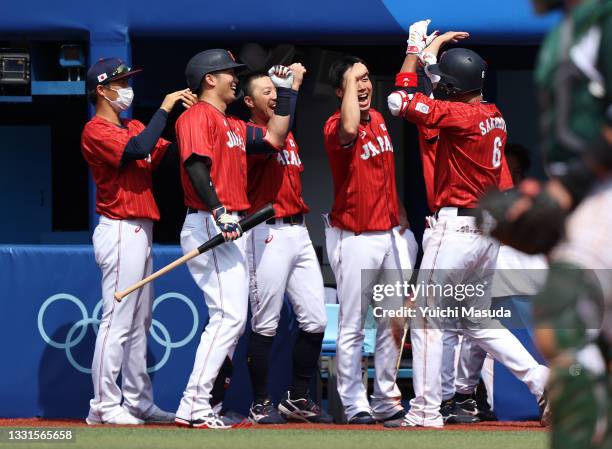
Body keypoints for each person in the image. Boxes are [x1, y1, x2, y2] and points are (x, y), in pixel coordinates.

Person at [384, 20, 547, 428]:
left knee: (426, 317)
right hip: (484, 232)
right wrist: (432, 57)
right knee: (474, 320)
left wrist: (416, 50)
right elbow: (444, 92)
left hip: (455, 229)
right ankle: (541, 380)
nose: (439, 86)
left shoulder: (458, 115)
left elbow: (399, 102)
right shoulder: (492, 112)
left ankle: (424, 411)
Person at [481, 1, 612, 447]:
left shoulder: (603, 19)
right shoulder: (563, 32)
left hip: (599, 189)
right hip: (582, 194)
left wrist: (568, 186)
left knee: (563, 317)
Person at [174, 49, 293, 429]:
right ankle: (194, 404)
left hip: (230, 224)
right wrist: (218, 210)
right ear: (210, 78)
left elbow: (275, 137)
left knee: (229, 319)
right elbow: (195, 164)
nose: (235, 78)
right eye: (229, 73)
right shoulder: (196, 115)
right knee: (228, 316)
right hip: (212, 221)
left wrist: (287, 91)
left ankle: (195, 403)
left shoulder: (233, 124)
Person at [81, 57, 196, 425]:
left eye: (128, 80)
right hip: (118, 227)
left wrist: (195, 123)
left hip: (141, 228)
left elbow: (167, 153)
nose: (127, 88)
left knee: (140, 321)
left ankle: (137, 400)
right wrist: (164, 108)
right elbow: (136, 149)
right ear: (102, 90)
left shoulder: (131, 124)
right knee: (117, 321)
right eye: (121, 82)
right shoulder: (95, 130)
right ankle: (102, 405)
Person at [323, 55, 419, 425]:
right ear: (339, 91)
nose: (363, 86)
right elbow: (349, 126)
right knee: (351, 325)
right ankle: (354, 403)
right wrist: (347, 88)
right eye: (354, 82)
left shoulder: (379, 120)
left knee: (393, 323)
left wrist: (402, 220)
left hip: (389, 234)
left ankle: (385, 398)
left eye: (365, 78)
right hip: (355, 236)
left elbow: (385, 176)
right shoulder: (334, 126)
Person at [242, 65, 331, 424]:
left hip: (299, 230)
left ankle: (296, 396)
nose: (273, 95)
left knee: (316, 320)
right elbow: (272, 138)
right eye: (265, 91)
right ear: (248, 101)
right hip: (266, 232)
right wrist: (289, 85)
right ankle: (260, 402)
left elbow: (283, 123)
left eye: (273, 90)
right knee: (265, 324)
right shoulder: (248, 131)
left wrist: (291, 84)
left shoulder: (286, 130)